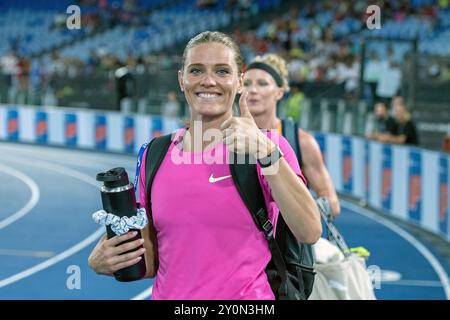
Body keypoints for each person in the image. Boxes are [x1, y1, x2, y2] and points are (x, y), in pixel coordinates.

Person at [88, 31, 321, 300]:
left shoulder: (268, 146)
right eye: (196, 70)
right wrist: (110, 257)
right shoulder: (154, 154)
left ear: (239, 81)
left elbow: (309, 231)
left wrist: (266, 153)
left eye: (222, 71)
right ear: (181, 79)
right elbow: (151, 260)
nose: (208, 81)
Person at [243, 53, 340, 216]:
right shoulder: (226, 136)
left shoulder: (301, 141)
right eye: (246, 84)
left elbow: (332, 203)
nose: (253, 90)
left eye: (262, 84)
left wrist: (296, 211)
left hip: (284, 239)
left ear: (279, 92)